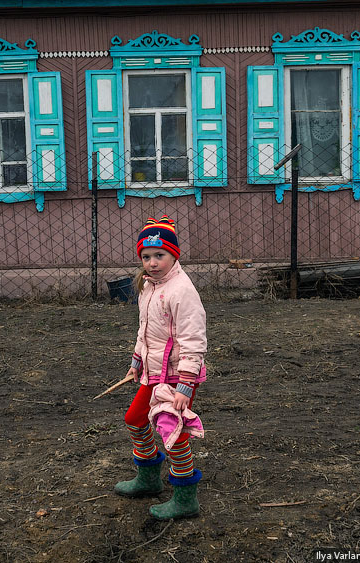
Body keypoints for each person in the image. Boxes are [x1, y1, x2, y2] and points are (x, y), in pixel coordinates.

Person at [114, 216, 208, 520]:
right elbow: (146, 331)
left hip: (177, 376)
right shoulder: (148, 286)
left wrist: (186, 385)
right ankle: (149, 479)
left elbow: (193, 339)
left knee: (174, 431)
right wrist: (136, 360)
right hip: (152, 372)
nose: (152, 263)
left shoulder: (182, 290)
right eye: (146, 256)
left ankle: (185, 498)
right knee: (135, 418)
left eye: (159, 256)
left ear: (173, 255)